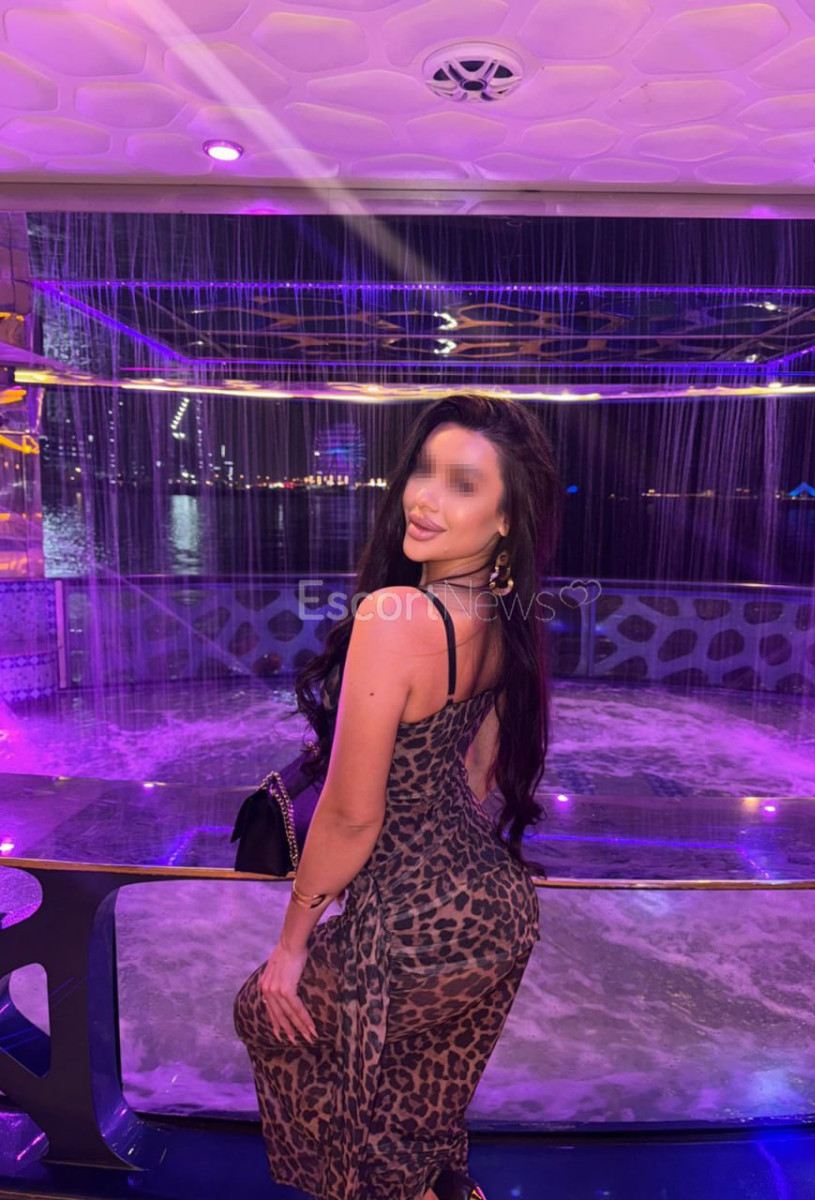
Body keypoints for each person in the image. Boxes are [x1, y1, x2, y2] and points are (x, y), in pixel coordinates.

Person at [234, 392, 563, 1200]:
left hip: (410, 917)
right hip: (496, 908)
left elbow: (354, 814)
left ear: (504, 520)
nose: (424, 498)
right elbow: (480, 775)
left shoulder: (395, 614)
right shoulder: (501, 614)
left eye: (462, 484)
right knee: (414, 1083)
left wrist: (292, 943)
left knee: (262, 1014)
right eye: (424, 470)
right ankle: (435, 1185)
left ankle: (390, 1185)